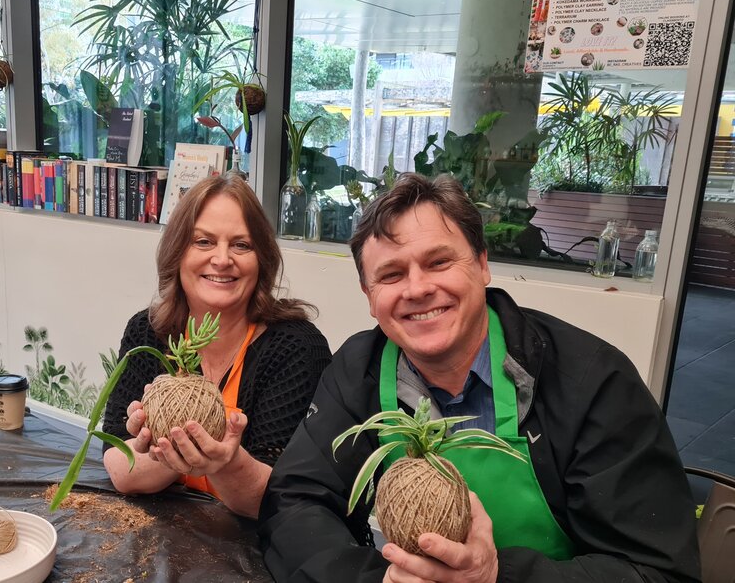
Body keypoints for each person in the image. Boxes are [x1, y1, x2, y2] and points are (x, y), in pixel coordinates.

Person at [258, 173, 700, 582]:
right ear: (369, 296)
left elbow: (656, 570)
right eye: (391, 274)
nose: (417, 289)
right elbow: (294, 501)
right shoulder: (359, 369)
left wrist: (494, 576)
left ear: (483, 265)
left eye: (438, 262)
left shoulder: (593, 382)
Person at [103, 174, 331, 519]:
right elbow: (120, 468)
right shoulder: (147, 332)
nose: (223, 259)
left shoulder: (296, 348)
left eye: (241, 245)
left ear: (262, 260)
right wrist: (155, 445)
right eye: (203, 242)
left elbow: (278, 499)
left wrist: (224, 461)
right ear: (177, 252)